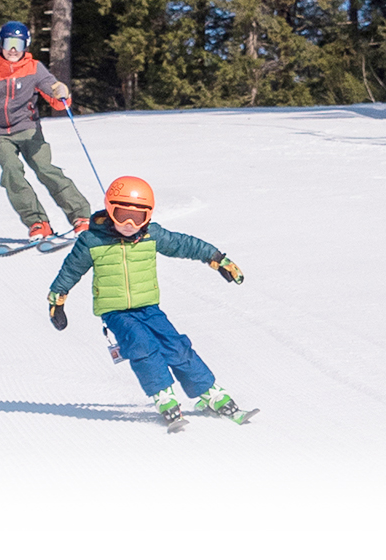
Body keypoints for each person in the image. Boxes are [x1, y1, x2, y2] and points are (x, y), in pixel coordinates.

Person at [45, 175, 251, 429]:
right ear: (110, 210)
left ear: (149, 217)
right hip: (115, 312)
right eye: (122, 215)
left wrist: (216, 257)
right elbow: (71, 270)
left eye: (138, 217)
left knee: (176, 345)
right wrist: (58, 297)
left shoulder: (151, 235)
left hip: (149, 307)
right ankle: (163, 395)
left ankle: (209, 392)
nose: (130, 224)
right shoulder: (92, 241)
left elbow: (184, 244)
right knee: (141, 345)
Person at [0, 20, 91, 240]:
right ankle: (38, 222)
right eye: (9, 43)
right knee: (11, 171)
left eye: (19, 45)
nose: (13, 50)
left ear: (26, 46)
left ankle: (81, 217)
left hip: (29, 130)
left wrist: (63, 93)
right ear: (0, 43)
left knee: (45, 169)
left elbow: (57, 100)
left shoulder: (34, 68)